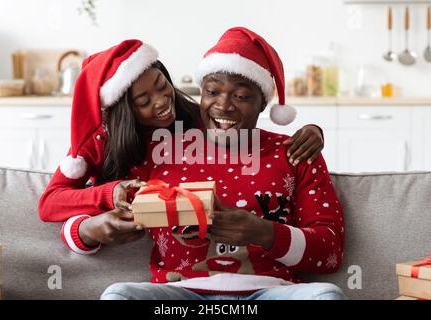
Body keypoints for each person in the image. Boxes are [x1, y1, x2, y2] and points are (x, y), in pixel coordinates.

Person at [99, 27, 346, 300]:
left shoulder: (294, 152)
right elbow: (90, 200)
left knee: (326, 295)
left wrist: (265, 233)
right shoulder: (158, 148)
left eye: (240, 96)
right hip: (180, 294)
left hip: (271, 292)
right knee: (119, 295)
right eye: (212, 91)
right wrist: (85, 230)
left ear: (262, 103)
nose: (223, 105)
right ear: (201, 95)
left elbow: (330, 251)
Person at [38, 39, 325, 253]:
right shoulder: (100, 142)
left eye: (163, 87)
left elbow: (237, 131)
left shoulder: (189, 118)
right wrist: (108, 195)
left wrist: (314, 130)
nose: (163, 102)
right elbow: (51, 203)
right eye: (144, 101)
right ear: (121, 111)